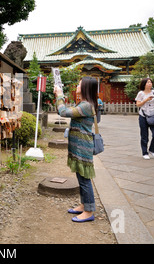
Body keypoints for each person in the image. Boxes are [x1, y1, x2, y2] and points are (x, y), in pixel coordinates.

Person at [54, 77, 98, 223]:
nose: (77, 85)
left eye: (80, 84)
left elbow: (63, 112)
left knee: (84, 179)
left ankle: (89, 210)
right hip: (79, 145)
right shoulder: (84, 104)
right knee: (81, 177)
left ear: (85, 87)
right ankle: (84, 204)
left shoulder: (86, 105)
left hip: (82, 146)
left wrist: (59, 95)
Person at [135, 78, 154, 160]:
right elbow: (138, 104)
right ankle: (145, 152)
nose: (150, 84)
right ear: (144, 84)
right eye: (148, 82)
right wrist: (146, 100)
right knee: (144, 136)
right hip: (143, 116)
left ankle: (152, 150)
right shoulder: (141, 93)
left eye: (150, 82)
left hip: (153, 116)